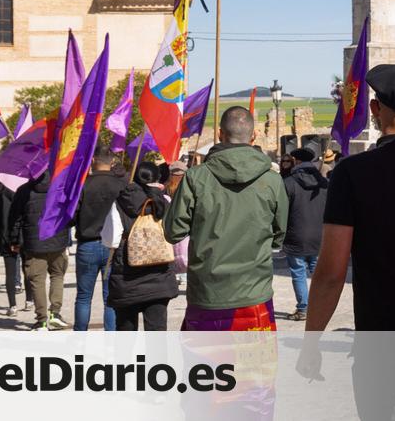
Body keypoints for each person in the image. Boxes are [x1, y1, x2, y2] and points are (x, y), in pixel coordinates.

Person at [301, 65, 395, 420]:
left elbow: (331, 270)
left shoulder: (353, 173)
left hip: (383, 336)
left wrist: (312, 339)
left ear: (375, 110)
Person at [164, 106, 288, 331]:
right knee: (255, 366)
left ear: (220, 134)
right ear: (254, 136)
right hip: (254, 292)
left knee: (204, 365)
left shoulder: (196, 177)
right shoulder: (272, 180)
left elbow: (173, 231)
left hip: (207, 292)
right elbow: (279, 237)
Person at [107, 162, 178, 331]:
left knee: (126, 336)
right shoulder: (165, 202)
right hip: (159, 277)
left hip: (126, 278)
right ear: (157, 177)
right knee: (157, 335)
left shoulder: (120, 202)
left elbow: (111, 240)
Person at [72, 147, 124, 331]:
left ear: (93, 160)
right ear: (111, 162)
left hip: (88, 243)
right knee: (110, 296)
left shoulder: (83, 184)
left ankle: (80, 337)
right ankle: (111, 337)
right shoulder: (121, 185)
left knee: (84, 296)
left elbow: (72, 214)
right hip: (113, 245)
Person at [13, 171, 71, 330]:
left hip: (34, 243)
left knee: (37, 281)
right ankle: (55, 313)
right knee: (57, 276)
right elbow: (70, 212)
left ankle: (42, 320)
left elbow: (15, 218)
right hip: (58, 240)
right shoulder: (61, 188)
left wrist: (14, 240)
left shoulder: (24, 191)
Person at [282, 146, 328, 321]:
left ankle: (304, 309)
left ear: (297, 162)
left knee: (298, 273)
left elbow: (282, 211)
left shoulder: (289, 182)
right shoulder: (323, 183)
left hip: (296, 235)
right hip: (320, 235)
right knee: (318, 274)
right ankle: (321, 307)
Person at [0, 181, 32, 316]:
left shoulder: (0, 199)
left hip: (6, 239)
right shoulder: (25, 194)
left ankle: (12, 305)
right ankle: (29, 300)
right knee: (27, 269)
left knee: (10, 273)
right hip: (24, 238)